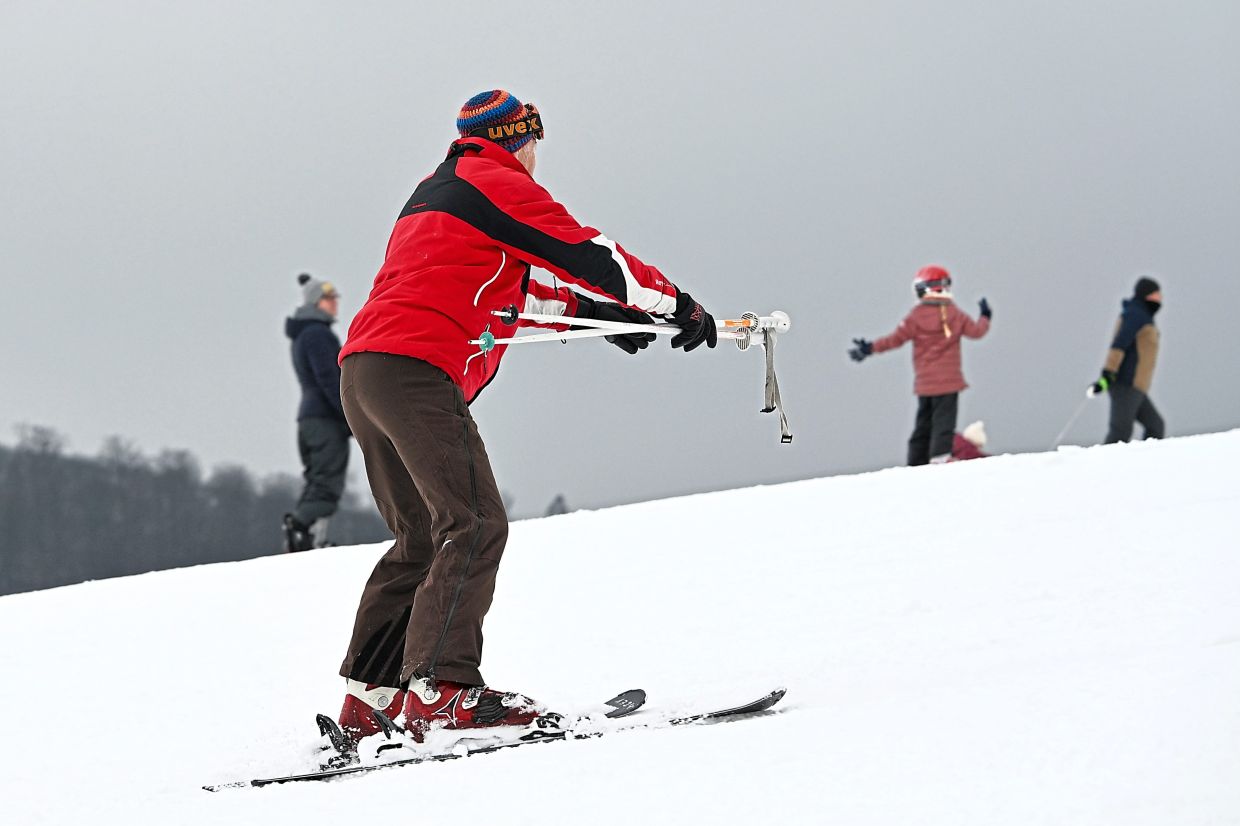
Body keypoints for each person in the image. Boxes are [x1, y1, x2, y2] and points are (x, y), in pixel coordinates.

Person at [333, 89, 717, 746]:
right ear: (520, 137)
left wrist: (608, 318)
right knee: (475, 520)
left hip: (365, 371)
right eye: (535, 140)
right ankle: (442, 691)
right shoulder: (497, 179)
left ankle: (372, 698)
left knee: (423, 537)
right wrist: (677, 303)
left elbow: (515, 286)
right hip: (415, 368)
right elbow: (590, 254)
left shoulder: (438, 191)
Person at [849, 265, 991, 465]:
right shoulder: (954, 314)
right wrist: (985, 316)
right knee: (944, 421)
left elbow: (894, 339)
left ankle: (916, 460)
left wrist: (869, 348)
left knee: (923, 421)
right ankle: (940, 457)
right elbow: (977, 332)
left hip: (925, 383)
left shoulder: (915, 317)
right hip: (949, 381)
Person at [283, 274, 351, 553]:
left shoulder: (306, 334)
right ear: (316, 302)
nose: (335, 304)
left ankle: (306, 539)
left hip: (311, 419)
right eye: (329, 299)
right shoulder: (317, 334)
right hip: (325, 420)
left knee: (317, 480)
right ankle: (304, 534)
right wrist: (350, 415)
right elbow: (329, 378)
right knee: (326, 483)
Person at [1089, 277, 1165, 443]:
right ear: (1148, 295)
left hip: (1137, 386)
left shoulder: (1143, 315)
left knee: (1155, 426)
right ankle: (1101, 466)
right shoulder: (1136, 315)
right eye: (1157, 293)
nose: (1160, 297)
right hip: (1126, 384)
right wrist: (1109, 372)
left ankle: (1149, 464)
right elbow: (1119, 344)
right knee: (1120, 433)